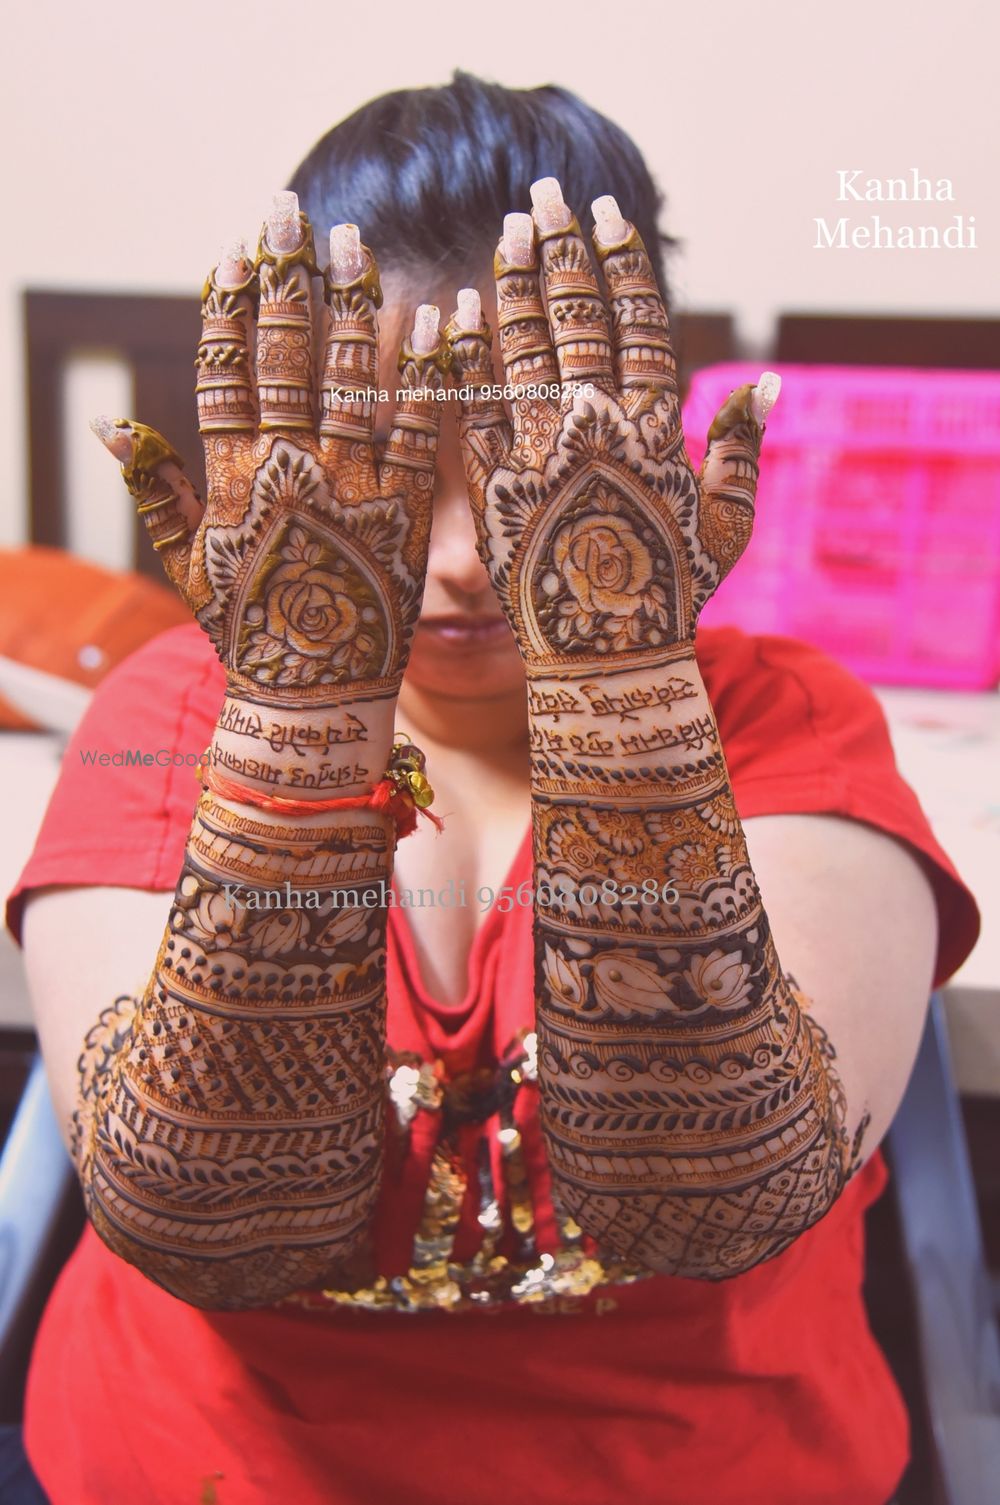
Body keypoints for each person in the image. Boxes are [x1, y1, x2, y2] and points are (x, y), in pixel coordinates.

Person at [5, 72, 980, 1505]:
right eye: (390, 466)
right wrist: (302, 713)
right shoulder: (176, 717)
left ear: (643, 428)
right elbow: (210, 1214)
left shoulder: (776, 718)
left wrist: (618, 683)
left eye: (518, 456)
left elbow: (711, 1196)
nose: (462, 556)